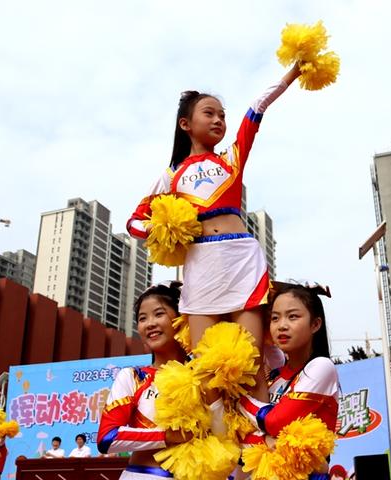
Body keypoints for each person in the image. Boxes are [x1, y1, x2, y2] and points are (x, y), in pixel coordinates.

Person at [126, 64, 303, 402]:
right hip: (200, 266)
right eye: (210, 113)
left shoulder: (232, 158)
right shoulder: (171, 175)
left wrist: (292, 73)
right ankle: (216, 451)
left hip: (241, 261)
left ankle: (259, 447)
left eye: (223, 115)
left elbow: (257, 108)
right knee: (207, 373)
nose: (219, 120)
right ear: (185, 124)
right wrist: (167, 230)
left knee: (251, 366)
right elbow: (134, 222)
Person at [239, 282, 339, 479]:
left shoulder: (321, 367)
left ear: (316, 324)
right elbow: (240, 440)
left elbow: (276, 422)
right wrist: (267, 441)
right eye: (275, 318)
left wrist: (240, 401)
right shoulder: (274, 376)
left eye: (293, 316)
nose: (282, 325)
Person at [97, 283, 193, 479]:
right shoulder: (133, 377)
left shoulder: (206, 376)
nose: (150, 324)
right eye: (142, 318)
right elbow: (107, 438)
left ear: (181, 319)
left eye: (159, 314)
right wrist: (166, 436)